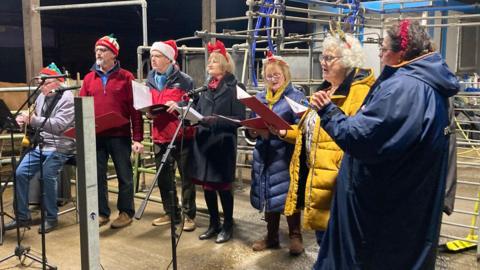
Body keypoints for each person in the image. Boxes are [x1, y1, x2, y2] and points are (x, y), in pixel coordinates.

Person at [311, 20, 459, 269]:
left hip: (384, 207)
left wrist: (328, 113)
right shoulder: (426, 83)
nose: (379, 53)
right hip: (405, 201)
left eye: (383, 47)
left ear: (401, 52)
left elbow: (363, 137)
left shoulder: (403, 88)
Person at [274, 33, 375, 255]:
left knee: (341, 253)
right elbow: (311, 133)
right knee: (326, 247)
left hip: (339, 189)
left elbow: (357, 138)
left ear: (348, 60)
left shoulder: (361, 94)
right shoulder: (325, 90)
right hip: (319, 185)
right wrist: (284, 131)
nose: (323, 62)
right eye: (322, 56)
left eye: (329, 58)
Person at [79, 34, 144, 229]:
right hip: (96, 135)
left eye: (103, 50)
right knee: (97, 176)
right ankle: (102, 212)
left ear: (113, 54)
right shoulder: (89, 78)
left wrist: (138, 137)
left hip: (119, 135)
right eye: (97, 50)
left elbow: (135, 109)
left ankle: (126, 212)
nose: (98, 53)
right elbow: (82, 106)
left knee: (124, 175)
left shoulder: (126, 77)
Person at [4, 63, 75, 233]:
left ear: (58, 82)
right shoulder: (42, 95)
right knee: (19, 173)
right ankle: (22, 216)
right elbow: (33, 113)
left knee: (47, 176)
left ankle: (51, 217)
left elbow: (59, 126)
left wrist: (32, 120)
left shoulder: (67, 98)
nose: (41, 86)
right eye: (40, 83)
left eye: (45, 83)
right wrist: (21, 121)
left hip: (62, 145)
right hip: (43, 145)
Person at [247, 53, 306, 254]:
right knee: (268, 194)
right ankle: (271, 236)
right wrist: (252, 131)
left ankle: (295, 236)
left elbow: (304, 129)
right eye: (268, 76)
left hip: (285, 155)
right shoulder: (259, 98)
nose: (272, 79)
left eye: (276, 75)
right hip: (264, 154)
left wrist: (282, 132)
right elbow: (252, 125)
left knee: (289, 196)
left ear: (285, 75)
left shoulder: (296, 97)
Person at [190, 40, 245, 243]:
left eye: (214, 61)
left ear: (224, 63)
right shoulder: (205, 88)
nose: (209, 64)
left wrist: (218, 120)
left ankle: (228, 225)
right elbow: (196, 110)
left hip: (222, 144)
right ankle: (214, 224)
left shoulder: (236, 87)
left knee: (223, 187)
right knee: (207, 187)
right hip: (204, 143)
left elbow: (240, 118)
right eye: (209, 61)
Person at [145, 40, 197, 231]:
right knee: (164, 178)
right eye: (151, 56)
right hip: (159, 135)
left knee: (186, 177)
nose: (153, 60)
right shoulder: (150, 78)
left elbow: (194, 104)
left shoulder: (185, 80)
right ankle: (171, 213)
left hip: (181, 134)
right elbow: (147, 102)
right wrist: (147, 112)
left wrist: (180, 107)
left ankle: (189, 215)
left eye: (157, 56)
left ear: (168, 59)